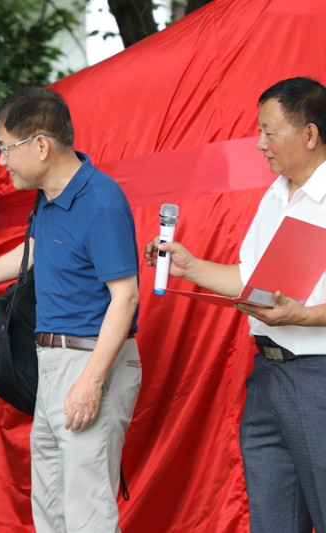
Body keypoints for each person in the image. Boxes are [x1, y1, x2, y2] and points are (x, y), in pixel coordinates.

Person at [0, 87, 142, 532]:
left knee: (87, 509)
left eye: (7, 149)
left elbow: (125, 297)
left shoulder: (101, 201)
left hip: (90, 362)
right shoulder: (49, 195)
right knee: (48, 502)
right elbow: (36, 251)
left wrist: (90, 382)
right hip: (49, 362)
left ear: (42, 146)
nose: (4, 162)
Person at [145, 76, 326, 532]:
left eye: (269, 131)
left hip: (316, 375)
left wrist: (301, 315)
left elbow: (292, 305)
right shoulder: (275, 194)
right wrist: (190, 267)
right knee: (273, 521)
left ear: (309, 133)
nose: (260, 143)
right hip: (266, 375)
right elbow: (251, 281)